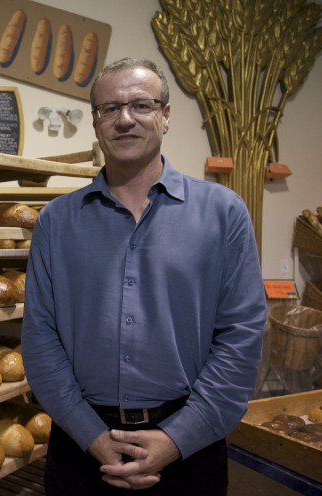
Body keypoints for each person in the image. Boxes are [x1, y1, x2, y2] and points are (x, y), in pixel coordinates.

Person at [21, 57, 266, 495]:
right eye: (110, 109)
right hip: (82, 448)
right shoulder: (56, 222)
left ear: (166, 115)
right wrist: (92, 437)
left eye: (141, 105)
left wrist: (178, 438)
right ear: (95, 122)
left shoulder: (223, 213)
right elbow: (41, 338)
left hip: (191, 449)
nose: (125, 119)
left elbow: (241, 335)